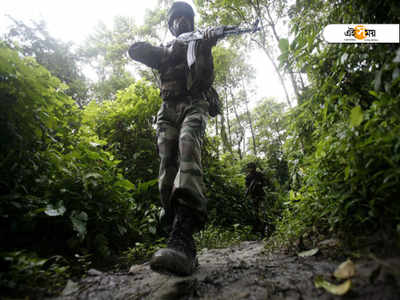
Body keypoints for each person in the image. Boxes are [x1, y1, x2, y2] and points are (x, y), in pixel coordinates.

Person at [128, 1, 219, 275]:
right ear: (170, 24)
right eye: (175, 19)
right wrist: (167, 51)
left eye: (185, 18)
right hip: (167, 110)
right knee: (167, 164)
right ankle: (175, 231)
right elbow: (135, 50)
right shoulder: (165, 50)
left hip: (193, 104)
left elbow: (204, 81)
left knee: (188, 144)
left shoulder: (200, 44)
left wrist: (205, 46)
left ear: (192, 22)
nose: (180, 22)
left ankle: (183, 235)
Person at [245, 162, 268, 234]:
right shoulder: (248, 177)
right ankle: (257, 228)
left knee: (263, 212)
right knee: (255, 213)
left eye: (252, 167)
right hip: (253, 196)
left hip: (261, 195)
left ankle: (265, 227)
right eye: (250, 167)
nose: (251, 169)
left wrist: (259, 184)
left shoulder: (259, 174)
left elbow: (265, 183)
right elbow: (247, 187)